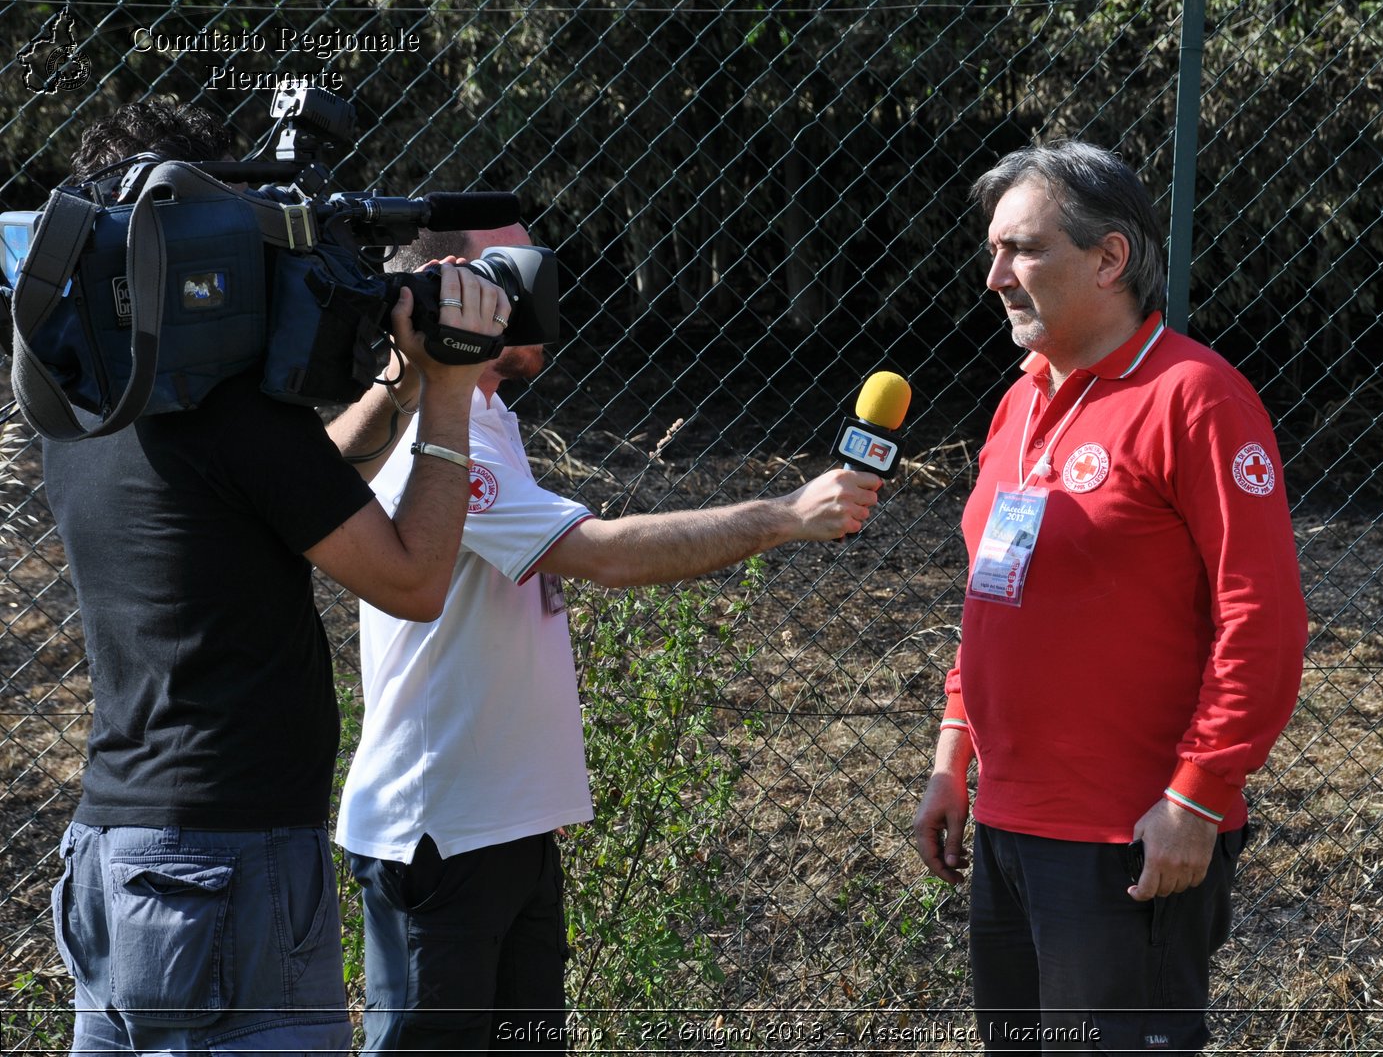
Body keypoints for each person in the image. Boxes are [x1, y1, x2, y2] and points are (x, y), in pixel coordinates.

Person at [329, 223, 885, 1052]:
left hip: (507, 828)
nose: (539, 281)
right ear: (450, 287)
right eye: (510, 265)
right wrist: (783, 516)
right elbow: (603, 556)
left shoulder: (487, 419)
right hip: (439, 836)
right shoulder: (439, 437)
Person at [41, 99, 510, 1054]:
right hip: (228, 866)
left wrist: (398, 383)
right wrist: (453, 392)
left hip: (108, 856)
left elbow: (281, 497)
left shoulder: (82, 404)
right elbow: (415, 579)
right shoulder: (235, 416)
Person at [912, 140, 1306, 1054]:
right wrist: (951, 758)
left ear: (1110, 257)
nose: (995, 276)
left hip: (1128, 840)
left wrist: (1198, 797)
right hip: (1007, 832)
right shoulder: (1020, 404)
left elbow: (1265, 622)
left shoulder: (1197, 398)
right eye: (994, 251)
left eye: (1022, 250)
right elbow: (993, 599)